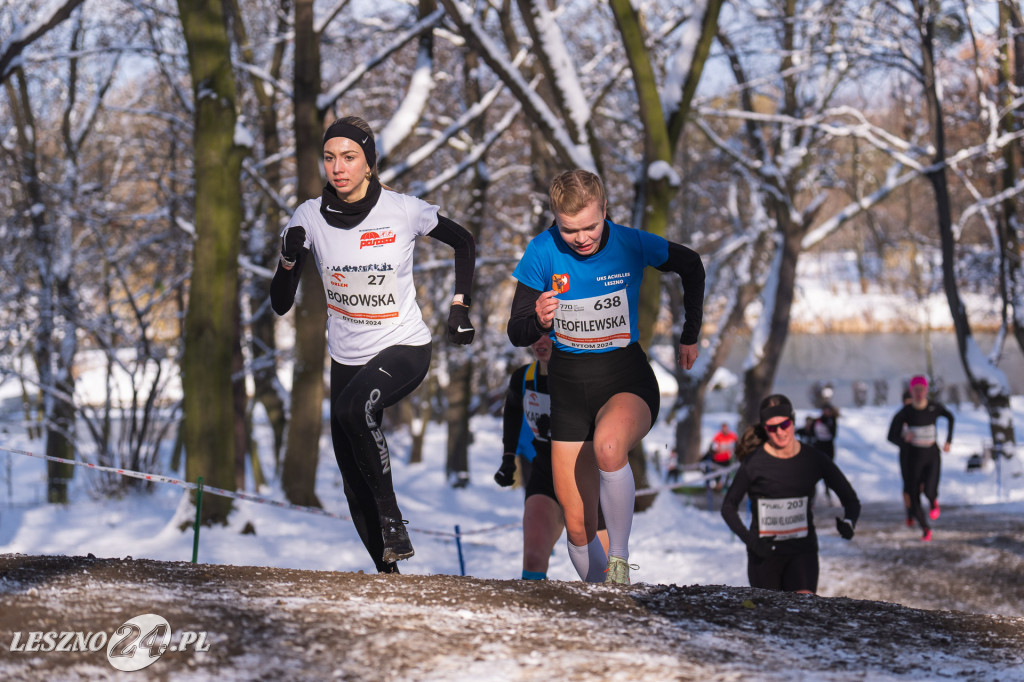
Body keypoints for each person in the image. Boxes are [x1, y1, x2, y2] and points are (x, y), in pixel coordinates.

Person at [270, 116, 476, 573]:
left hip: (403, 347)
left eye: (349, 157)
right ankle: (389, 577)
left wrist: (460, 305)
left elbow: (463, 241)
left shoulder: (402, 210)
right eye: (329, 158)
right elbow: (281, 305)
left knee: (350, 410)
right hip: (347, 356)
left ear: (369, 163)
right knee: (351, 480)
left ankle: (393, 518)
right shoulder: (308, 216)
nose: (338, 168)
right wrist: (288, 259)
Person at [507, 169, 705, 585]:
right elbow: (516, 330)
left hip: (624, 378)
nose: (581, 238)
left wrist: (690, 335)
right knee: (577, 526)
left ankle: (619, 560)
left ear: (605, 211)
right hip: (568, 390)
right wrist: (537, 320)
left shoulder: (631, 244)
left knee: (610, 447)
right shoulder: (541, 252)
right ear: (556, 219)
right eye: (570, 229)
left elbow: (691, 264)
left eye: (591, 226)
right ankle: (605, 596)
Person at [493, 334, 608, 579]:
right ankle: (533, 615)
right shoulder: (524, 378)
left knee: (603, 573)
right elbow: (512, 413)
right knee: (533, 558)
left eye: (547, 333)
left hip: (587, 479)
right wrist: (508, 458)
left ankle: (612, 614)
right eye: (533, 334)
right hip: (545, 473)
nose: (539, 341)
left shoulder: (585, 377)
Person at [721, 394, 860, 594]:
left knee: (803, 613)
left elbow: (850, 499)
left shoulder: (813, 459)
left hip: (803, 552)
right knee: (770, 620)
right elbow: (728, 507)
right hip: (764, 555)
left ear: (793, 421)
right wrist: (751, 542)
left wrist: (849, 522)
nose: (779, 432)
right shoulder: (754, 463)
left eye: (784, 424)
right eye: (771, 427)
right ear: (765, 428)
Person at [887, 375, 954, 541]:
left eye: (922, 390)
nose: (918, 393)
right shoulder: (905, 412)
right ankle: (925, 527)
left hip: (931, 456)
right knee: (912, 492)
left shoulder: (933, 407)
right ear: (911, 391)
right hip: (912, 458)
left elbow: (950, 417)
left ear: (926, 390)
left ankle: (933, 500)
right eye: (915, 390)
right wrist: (904, 439)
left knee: (930, 490)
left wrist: (948, 441)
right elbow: (891, 436)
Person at [704, 422, 737, 491]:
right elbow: (713, 447)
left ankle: (725, 486)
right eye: (723, 428)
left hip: (728, 459)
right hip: (718, 459)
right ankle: (717, 485)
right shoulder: (718, 436)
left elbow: (737, 445)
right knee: (717, 473)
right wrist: (718, 450)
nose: (725, 430)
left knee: (728, 473)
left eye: (726, 428)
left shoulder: (732, 436)